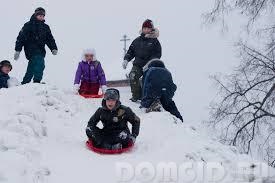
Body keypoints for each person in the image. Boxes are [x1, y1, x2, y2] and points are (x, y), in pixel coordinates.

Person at [14, 7, 58, 84]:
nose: (41, 17)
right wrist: (18, 50)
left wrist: (53, 48)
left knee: (32, 66)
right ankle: (37, 81)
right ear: (35, 15)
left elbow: (50, 39)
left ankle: (25, 82)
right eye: (39, 15)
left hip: (41, 50)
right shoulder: (28, 25)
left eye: (43, 15)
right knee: (40, 63)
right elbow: (21, 37)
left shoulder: (45, 27)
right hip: (30, 49)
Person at [122, 19, 162, 102]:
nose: (146, 30)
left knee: (146, 80)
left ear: (151, 29)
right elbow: (131, 51)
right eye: (144, 28)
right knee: (132, 75)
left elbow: (157, 55)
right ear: (142, 29)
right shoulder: (137, 41)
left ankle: (146, 97)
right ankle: (136, 96)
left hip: (150, 66)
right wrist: (126, 59)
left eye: (148, 28)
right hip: (138, 65)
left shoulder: (155, 41)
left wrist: (149, 64)